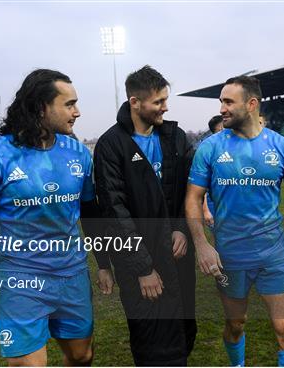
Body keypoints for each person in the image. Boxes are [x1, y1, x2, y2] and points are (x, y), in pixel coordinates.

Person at [0, 69, 106, 366]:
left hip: (72, 275)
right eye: (69, 104)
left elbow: (90, 213)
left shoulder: (78, 153)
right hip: (21, 278)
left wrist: (104, 264)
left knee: (82, 355)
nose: (77, 112)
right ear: (41, 107)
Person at [186, 76, 284, 367]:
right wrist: (202, 245)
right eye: (221, 102)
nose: (222, 108)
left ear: (251, 104)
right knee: (236, 325)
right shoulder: (209, 149)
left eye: (228, 102)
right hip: (230, 257)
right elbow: (192, 199)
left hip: (273, 256)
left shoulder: (283, 147)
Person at [93, 65, 197, 366]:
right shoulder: (111, 145)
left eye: (166, 99)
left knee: (183, 334)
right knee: (152, 343)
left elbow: (189, 188)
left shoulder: (175, 137)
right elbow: (114, 211)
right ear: (134, 102)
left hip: (178, 257)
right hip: (141, 264)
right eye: (159, 101)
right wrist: (142, 268)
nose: (166, 106)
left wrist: (181, 228)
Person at [203, 115, 224, 228]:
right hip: (215, 204)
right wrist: (206, 211)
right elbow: (201, 189)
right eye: (221, 129)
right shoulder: (208, 152)